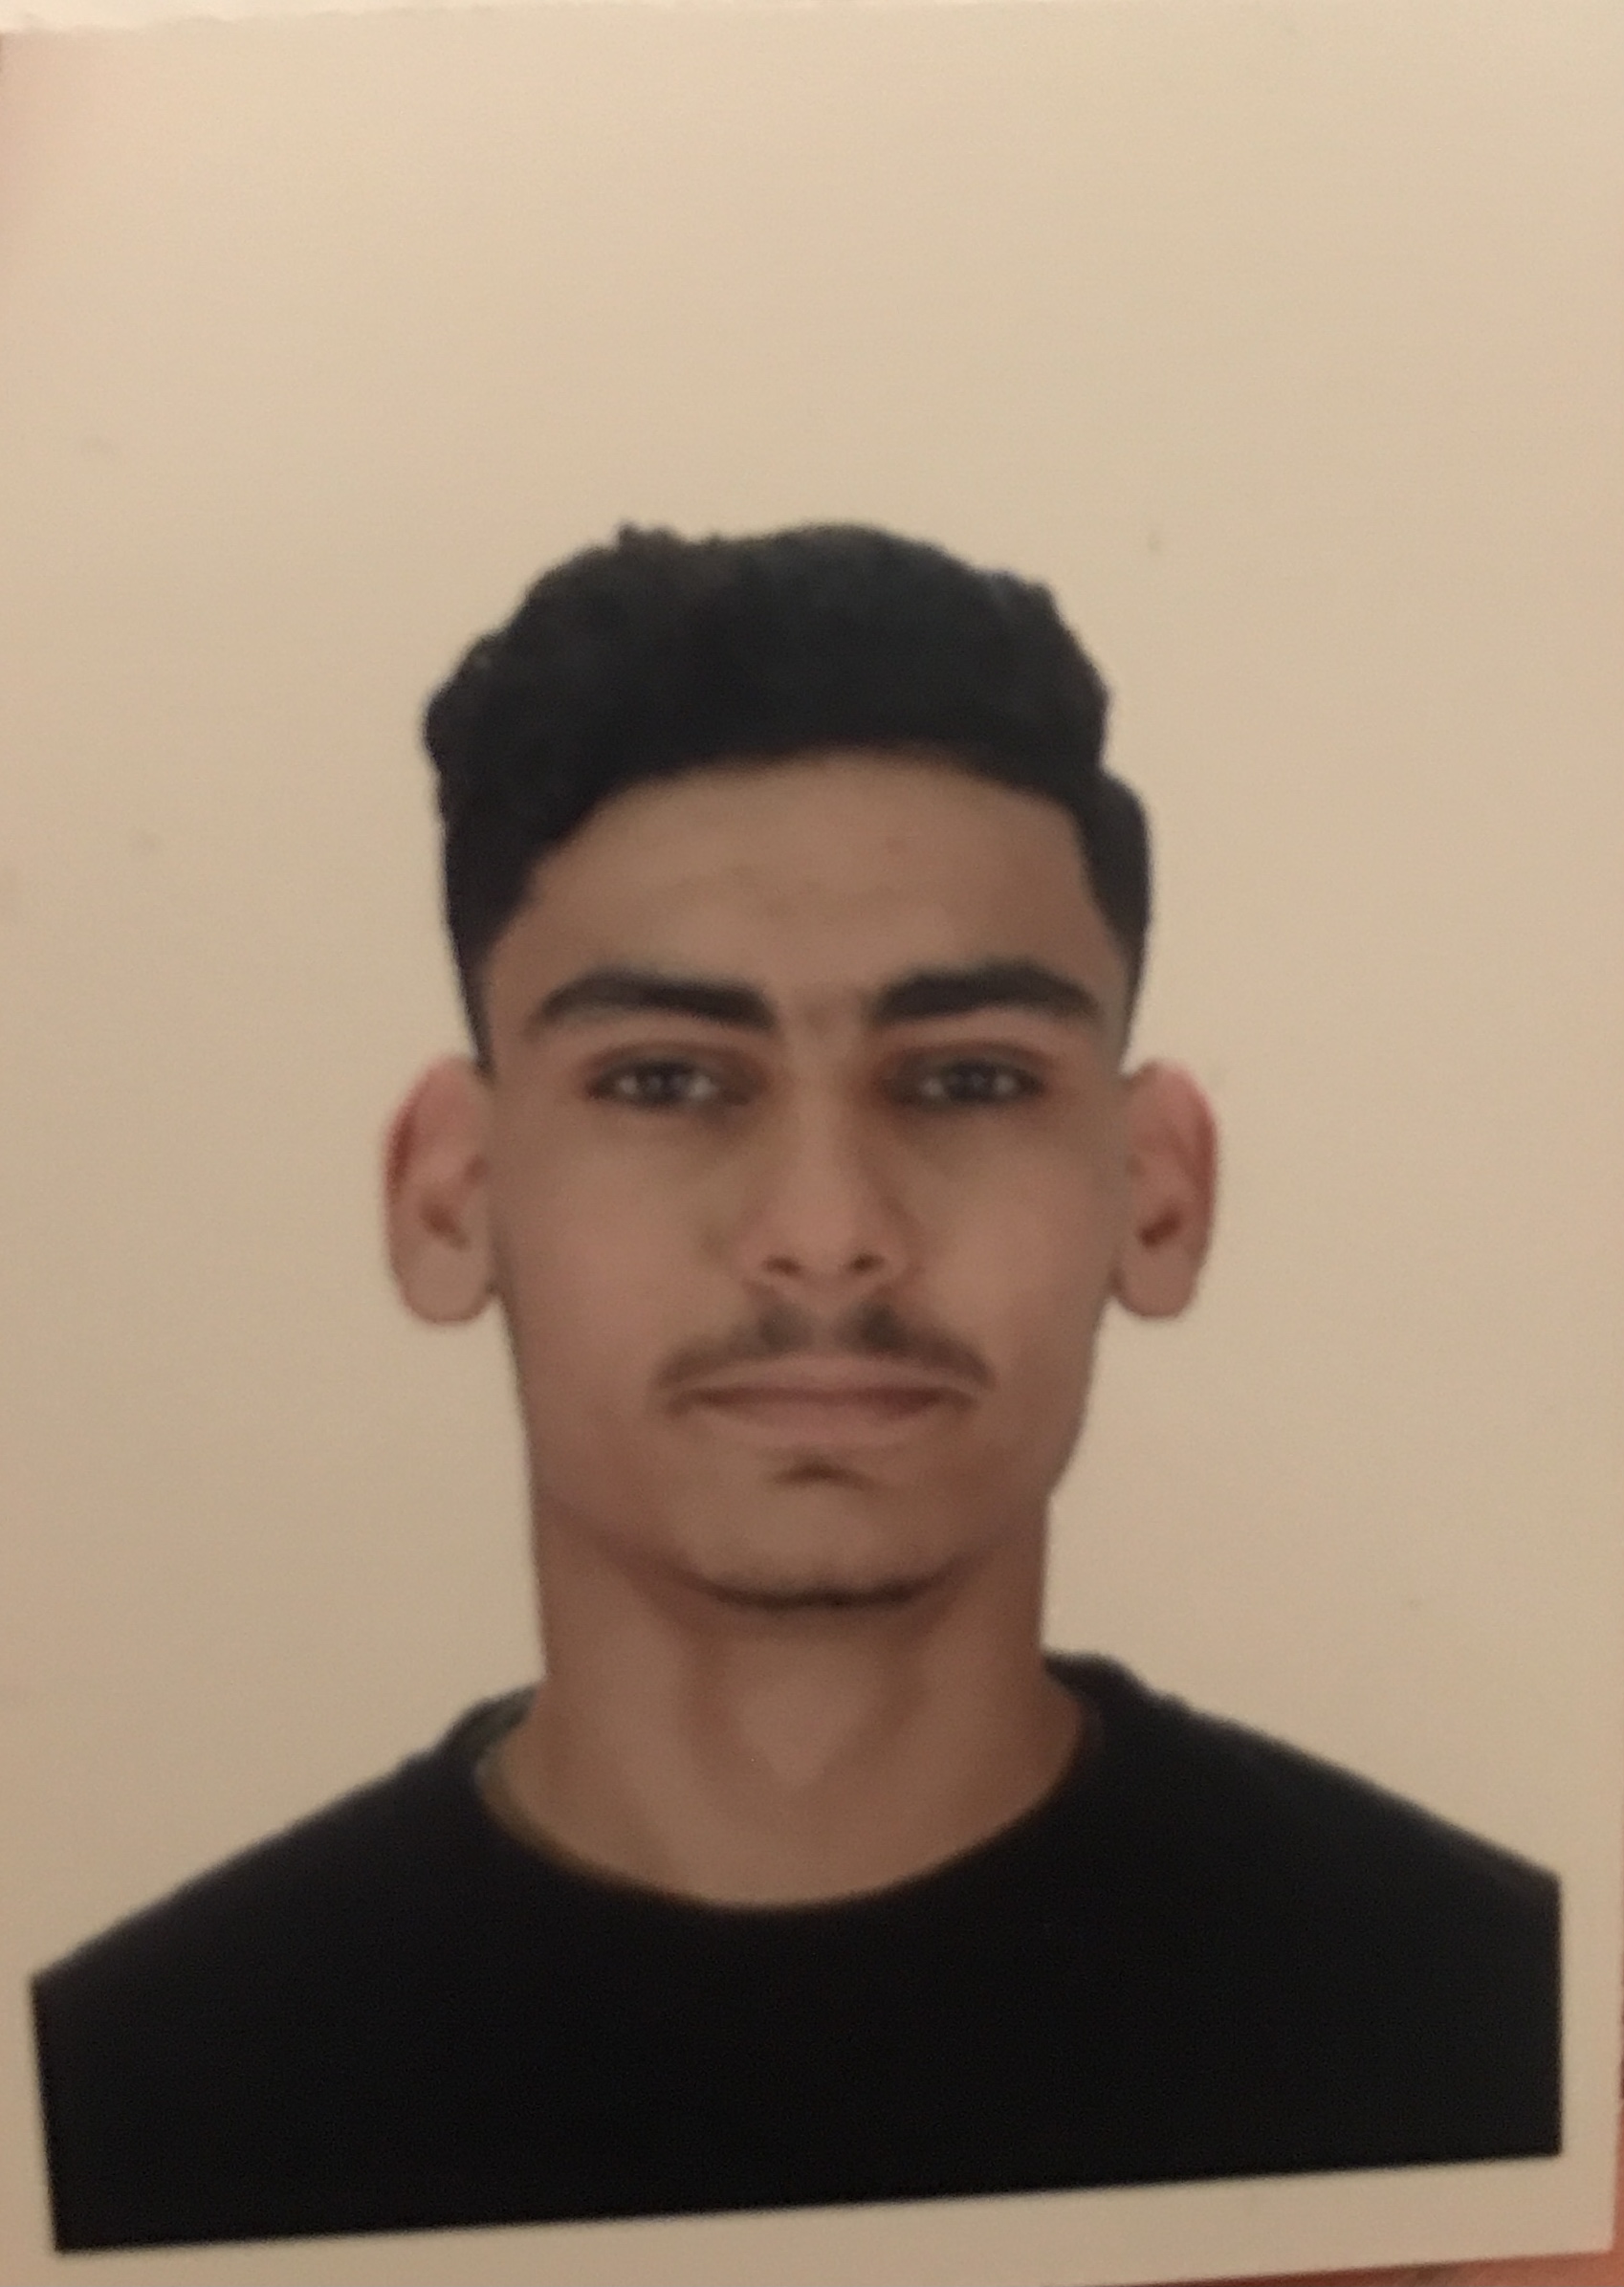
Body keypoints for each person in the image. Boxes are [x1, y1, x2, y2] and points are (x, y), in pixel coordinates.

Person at [32, 524, 1560, 2255]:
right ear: (451, 1196)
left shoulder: (1504, 2042)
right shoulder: (111, 2120)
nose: (826, 1236)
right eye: (665, 1079)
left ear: (1156, 1189)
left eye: (968, 1080)